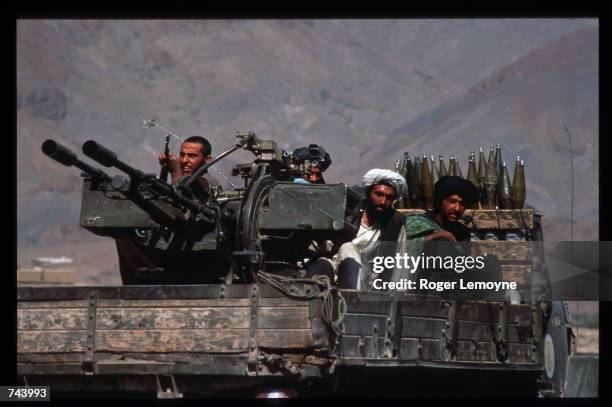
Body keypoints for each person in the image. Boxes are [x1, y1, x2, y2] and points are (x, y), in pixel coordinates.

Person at [336, 169, 407, 290]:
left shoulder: (395, 222)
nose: (383, 202)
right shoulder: (346, 214)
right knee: (348, 248)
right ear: (368, 193)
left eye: (389, 198)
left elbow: (399, 264)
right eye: (379, 194)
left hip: (366, 278)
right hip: (336, 270)